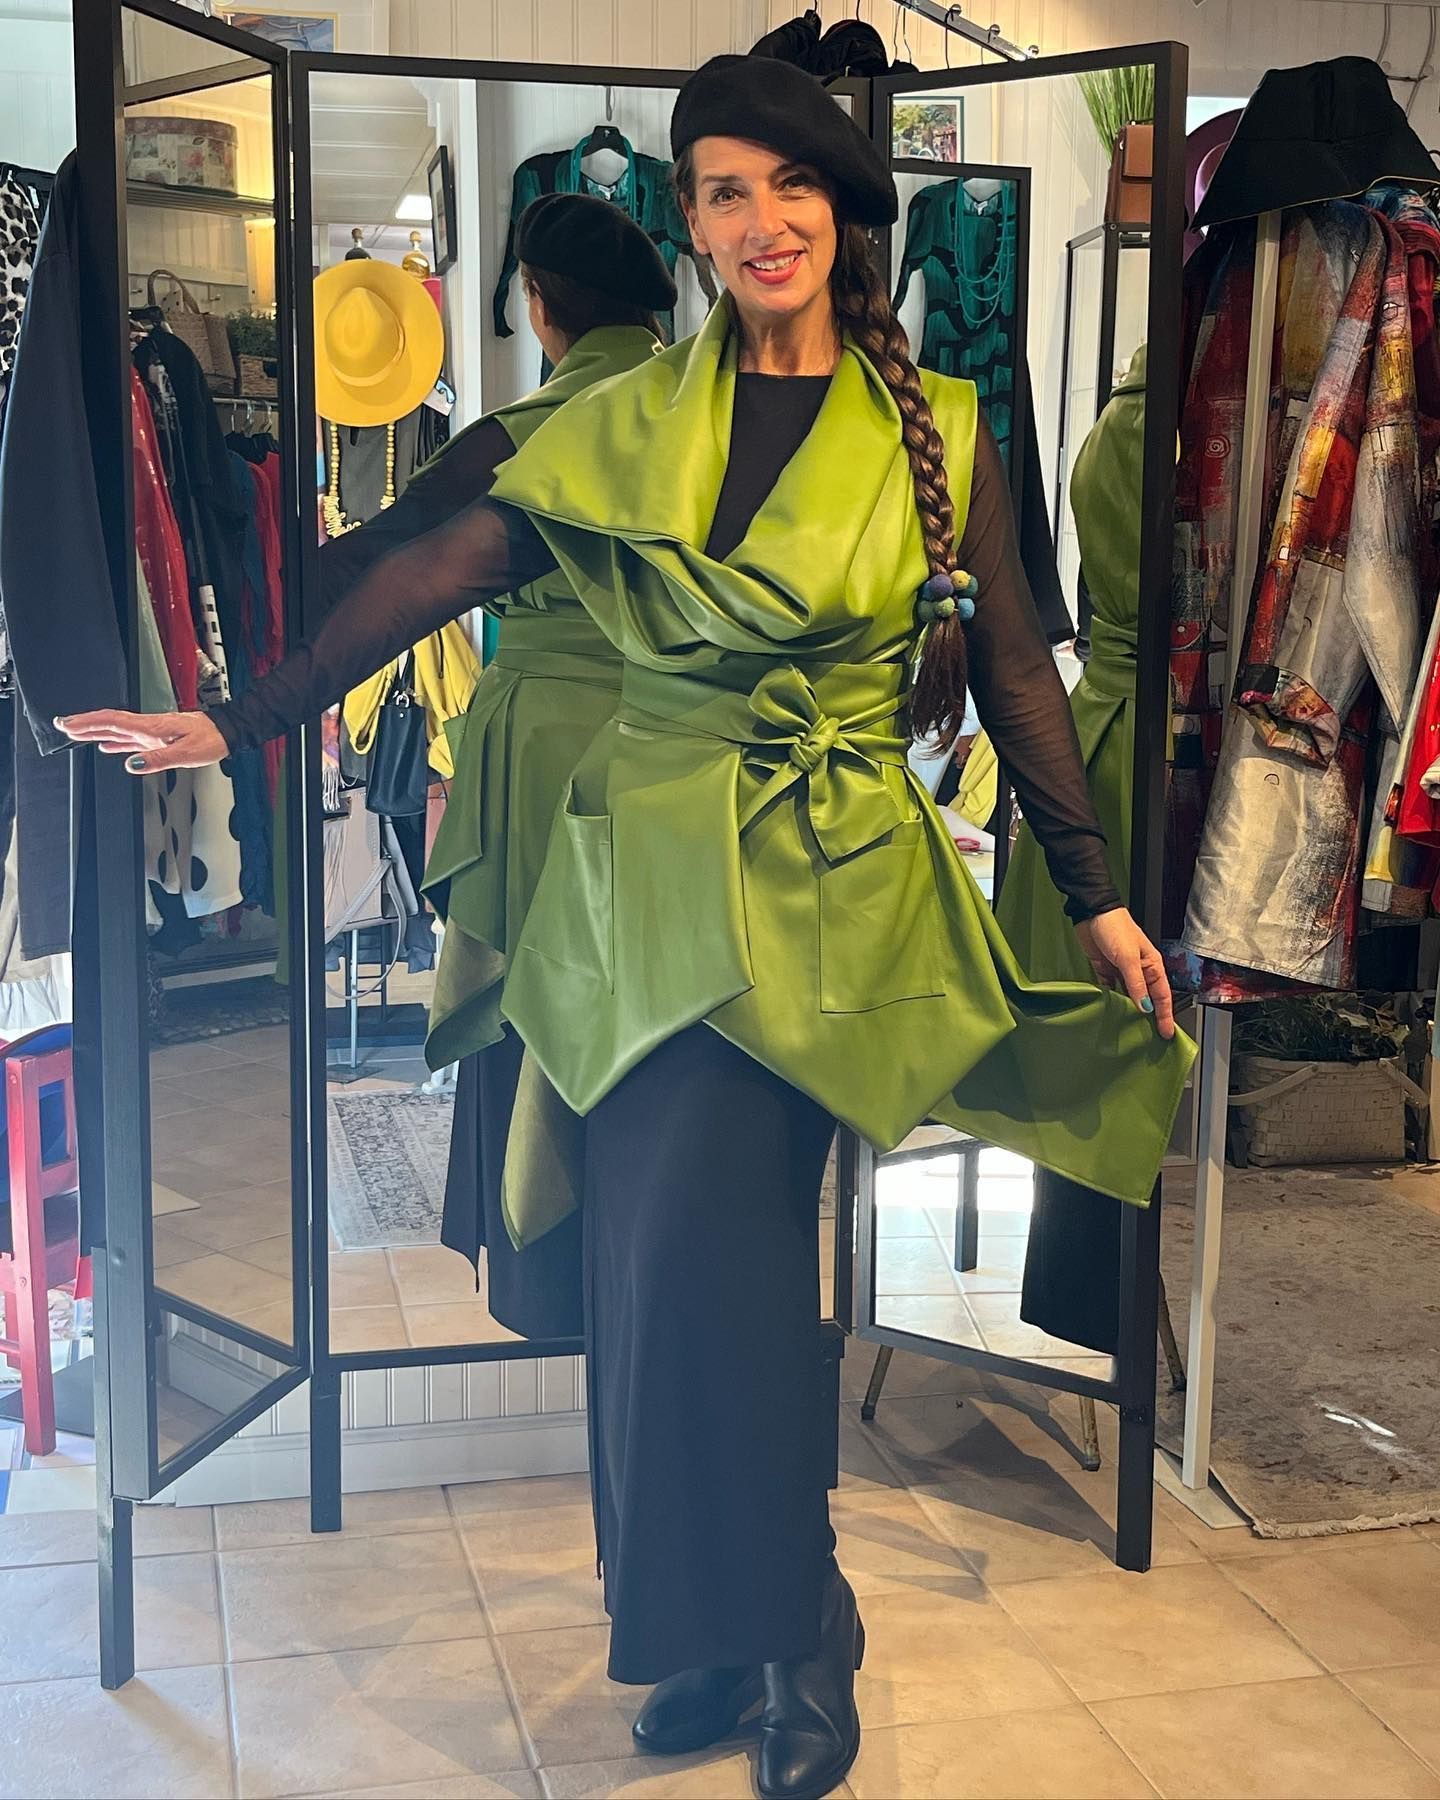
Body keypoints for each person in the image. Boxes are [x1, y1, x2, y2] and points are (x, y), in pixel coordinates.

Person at [61, 56, 1193, 1800]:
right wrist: (251, 713)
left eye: (789, 188)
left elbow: (1024, 669)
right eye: (725, 192)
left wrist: (1100, 889)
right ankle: (722, 1626)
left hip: (834, 906)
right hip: (649, 901)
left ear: (844, 217)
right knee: (657, 1279)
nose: (761, 221)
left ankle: (792, 1620)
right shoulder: (625, 416)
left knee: (727, 1269)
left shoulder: (940, 428)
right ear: (694, 225)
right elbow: (437, 567)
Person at [319, 193, 675, 1339]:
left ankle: (547, 1277)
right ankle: (653, 1275)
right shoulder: (707, 415)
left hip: (545, 756)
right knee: (658, 1019)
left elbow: (385, 554)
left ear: (538, 305)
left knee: (533, 1002)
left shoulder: (519, 436)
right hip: (679, 751)